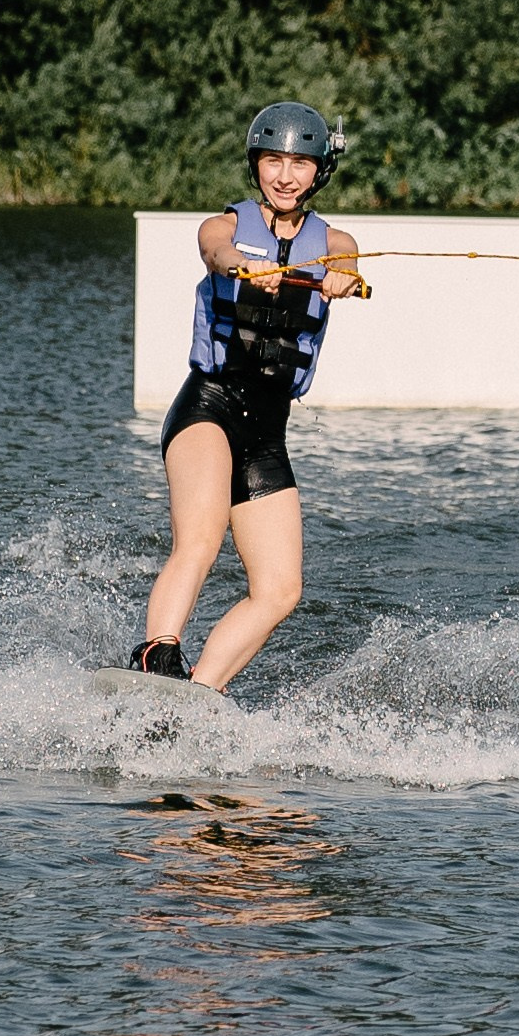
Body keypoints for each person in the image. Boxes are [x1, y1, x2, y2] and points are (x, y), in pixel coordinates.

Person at [129, 102, 364, 689]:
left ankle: (199, 695)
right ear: (255, 165)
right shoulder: (226, 228)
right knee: (202, 539)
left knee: (281, 589)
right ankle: (156, 655)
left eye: (300, 163)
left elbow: (346, 262)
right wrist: (238, 267)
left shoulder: (332, 239)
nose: (286, 176)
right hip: (208, 407)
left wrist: (341, 275)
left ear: (319, 171)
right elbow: (214, 250)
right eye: (273, 161)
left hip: (267, 430)